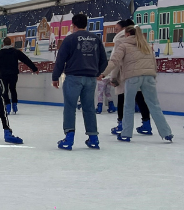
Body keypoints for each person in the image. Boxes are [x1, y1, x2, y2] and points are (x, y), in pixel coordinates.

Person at [105, 26, 173, 142]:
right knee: (154, 105)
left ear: (126, 34)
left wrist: (103, 73)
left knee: (129, 106)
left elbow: (114, 61)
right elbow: (154, 63)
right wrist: (153, 76)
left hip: (133, 78)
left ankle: (126, 134)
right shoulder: (146, 45)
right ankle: (167, 133)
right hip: (149, 77)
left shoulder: (123, 45)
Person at [53, 13, 108, 150]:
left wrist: (55, 77)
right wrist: (97, 72)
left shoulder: (70, 39)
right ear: (86, 24)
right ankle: (93, 138)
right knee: (89, 108)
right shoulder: (95, 39)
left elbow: (60, 59)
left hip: (73, 77)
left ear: (73, 25)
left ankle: (69, 138)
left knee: (70, 107)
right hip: (90, 78)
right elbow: (104, 60)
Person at [107, 19, 152, 135]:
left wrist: (113, 77)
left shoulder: (120, 39)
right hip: (141, 73)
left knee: (122, 98)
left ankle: (121, 124)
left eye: (117, 29)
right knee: (140, 98)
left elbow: (116, 59)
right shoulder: (140, 38)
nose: (115, 32)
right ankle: (147, 124)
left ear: (124, 29)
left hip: (125, 73)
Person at [0, 37, 39, 114]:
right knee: (13, 89)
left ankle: (7, 105)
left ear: (3, 44)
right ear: (11, 43)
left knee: (5, 90)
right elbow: (25, 60)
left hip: (3, 74)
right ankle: (14, 104)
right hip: (13, 74)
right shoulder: (16, 52)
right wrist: (34, 68)